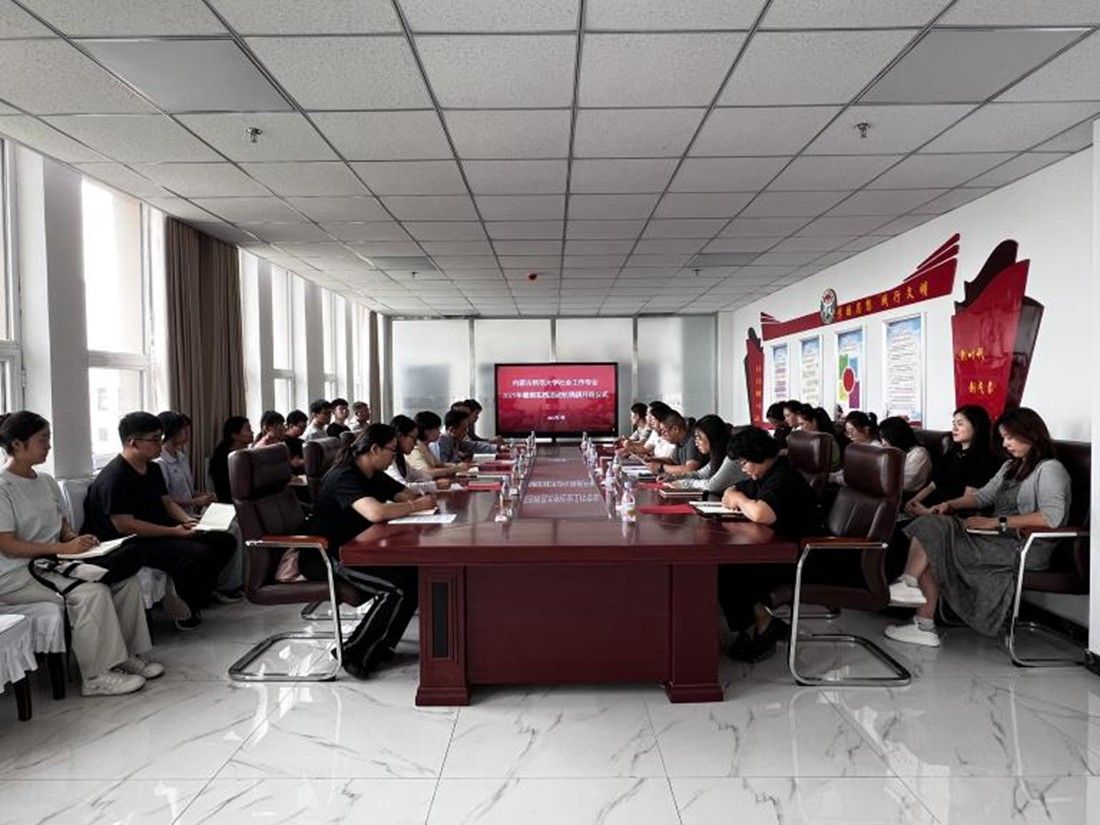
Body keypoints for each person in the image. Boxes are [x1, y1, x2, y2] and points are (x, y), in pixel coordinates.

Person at [0, 411, 163, 696]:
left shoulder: (46, 481)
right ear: (17, 444)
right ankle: (96, 675)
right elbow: (8, 545)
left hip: (54, 564)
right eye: (43, 439)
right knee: (91, 593)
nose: (49, 445)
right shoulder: (3, 487)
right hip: (17, 574)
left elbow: (59, 522)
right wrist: (62, 548)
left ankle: (124, 656)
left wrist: (73, 538)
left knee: (126, 581)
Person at [885, 407, 1071, 648]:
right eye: (1003, 438)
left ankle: (923, 622)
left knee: (934, 540)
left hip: (1024, 546)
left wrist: (996, 522)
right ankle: (911, 591)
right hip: (997, 536)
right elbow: (982, 497)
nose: (1005, 444)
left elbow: (1051, 517)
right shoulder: (1010, 466)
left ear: (1031, 435)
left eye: (1010, 437)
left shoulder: (1050, 469)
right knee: (931, 531)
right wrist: (949, 504)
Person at [83, 412, 236, 630]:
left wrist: (188, 521)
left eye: (160, 437)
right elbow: (125, 525)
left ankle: (188, 595)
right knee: (199, 554)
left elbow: (167, 502)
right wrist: (175, 531)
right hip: (128, 542)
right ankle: (183, 599)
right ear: (132, 443)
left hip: (159, 530)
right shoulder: (115, 477)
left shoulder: (153, 468)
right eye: (154, 439)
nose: (160, 444)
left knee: (224, 541)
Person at [306, 424, 435, 677]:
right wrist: (415, 505)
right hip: (329, 555)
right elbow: (376, 512)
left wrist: (413, 501)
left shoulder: (374, 473)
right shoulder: (344, 476)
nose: (394, 457)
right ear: (374, 449)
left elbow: (407, 495)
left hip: (360, 548)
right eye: (392, 450)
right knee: (396, 588)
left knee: (413, 576)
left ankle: (381, 646)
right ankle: (352, 651)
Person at [718, 427, 821, 662]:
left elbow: (761, 513)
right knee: (727, 565)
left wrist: (739, 499)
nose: (743, 468)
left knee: (728, 568)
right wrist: (736, 495)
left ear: (759, 455)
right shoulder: (767, 474)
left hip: (803, 559)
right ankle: (755, 626)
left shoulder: (784, 478)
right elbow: (731, 491)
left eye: (745, 462)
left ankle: (763, 625)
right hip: (783, 550)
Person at [906, 405, 1001, 514]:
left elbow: (968, 502)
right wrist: (913, 502)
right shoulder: (952, 453)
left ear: (976, 426)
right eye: (954, 424)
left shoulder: (985, 459)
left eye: (960, 424)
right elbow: (932, 485)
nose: (954, 429)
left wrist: (927, 512)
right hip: (930, 508)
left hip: (950, 513)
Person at [661, 414, 747, 495]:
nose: (696, 443)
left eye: (698, 438)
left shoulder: (732, 458)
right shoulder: (717, 456)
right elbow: (700, 474)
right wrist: (674, 477)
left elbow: (711, 485)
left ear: (711, 436)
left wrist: (683, 483)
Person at [155, 412, 215, 515]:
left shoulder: (181, 457)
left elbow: (188, 491)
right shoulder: (159, 462)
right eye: (183, 428)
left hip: (188, 515)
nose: (187, 432)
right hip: (173, 518)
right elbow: (164, 500)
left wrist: (206, 495)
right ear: (171, 430)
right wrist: (195, 501)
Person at [386, 415, 452, 494]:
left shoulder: (400, 458)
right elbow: (402, 487)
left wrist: (431, 481)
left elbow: (420, 475)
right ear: (400, 436)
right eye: (413, 438)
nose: (415, 443)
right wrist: (436, 485)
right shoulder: (388, 460)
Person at [878, 416, 933, 496]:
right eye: (882, 439)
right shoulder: (895, 452)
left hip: (908, 498)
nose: (883, 443)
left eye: (886, 438)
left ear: (897, 436)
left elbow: (906, 485)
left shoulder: (919, 455)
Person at [408, 411, 468, 479]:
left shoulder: (425, 446)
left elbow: (439, 465)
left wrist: (456, 466)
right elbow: (428, 472)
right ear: (426, 431)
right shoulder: (415, 448)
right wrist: (456, 468)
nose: (439, 432)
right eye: (436, 428)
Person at [208, 415, 253, 504]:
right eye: (248, 429)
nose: (252, 432)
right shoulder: (226, 458)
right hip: (232, 503)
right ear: (235, 435)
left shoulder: (243, 454)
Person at [796, 405, 842, 471]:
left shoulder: (826, 440)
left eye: (802, 424)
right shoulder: (812, 438)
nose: (801, 428)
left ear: (814, 422)